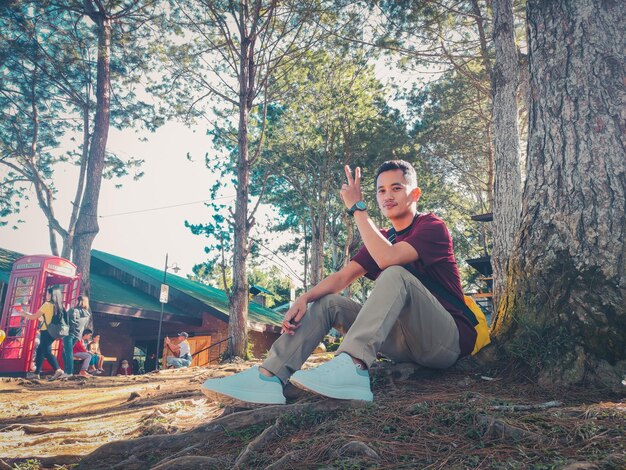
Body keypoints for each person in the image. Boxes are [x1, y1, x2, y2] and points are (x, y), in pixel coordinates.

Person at [201, 160, 477, 405]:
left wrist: (357, 209)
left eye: (396, 188)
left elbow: (389, 260)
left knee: (395, 273)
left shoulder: (431, 226)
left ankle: (353, 367)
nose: (387, 196)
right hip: (404, 346)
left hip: (445, 341)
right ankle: (269, 377)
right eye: (381, 190)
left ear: (414, 194)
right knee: (329, 303)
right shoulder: (381, 237)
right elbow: (343, 277)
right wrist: (304, 298)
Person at [14, 286, 69, 380]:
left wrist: (24, 314)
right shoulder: (60, 305)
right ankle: (36, 373)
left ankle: (58, 369)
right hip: (55, 332)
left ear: (52, 295)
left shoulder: (47, 304)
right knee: (40, 350)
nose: (46, 295)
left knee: (46, 351)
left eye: (47, 293)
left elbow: (34, 317)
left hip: (46, 331)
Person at [62, 296, 92, 376]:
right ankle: (67, 372)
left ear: (78, 301)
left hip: (69, 333)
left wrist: (66, 311)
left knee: (67, 353)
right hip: (77, 335)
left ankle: (68, 372)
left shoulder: (73, 310)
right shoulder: (87, 314)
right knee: (66, 352)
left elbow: (67, 321)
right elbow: (84, 326)